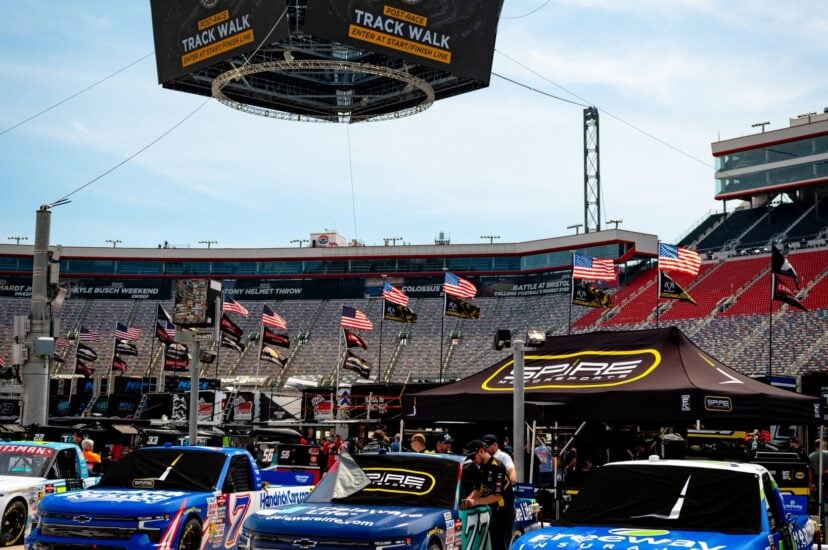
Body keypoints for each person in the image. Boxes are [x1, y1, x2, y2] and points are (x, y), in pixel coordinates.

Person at [463, 439, 515, 550]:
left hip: (504, 511)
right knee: (493, 544)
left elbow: (497, 496)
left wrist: (475, 502)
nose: (473, 460)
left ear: (481, 451)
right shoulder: (481, 467)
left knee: (500, 545)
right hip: (493, 511)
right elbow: (479, 489)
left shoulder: (497, 467)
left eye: (473, 457)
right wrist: (467, 501)